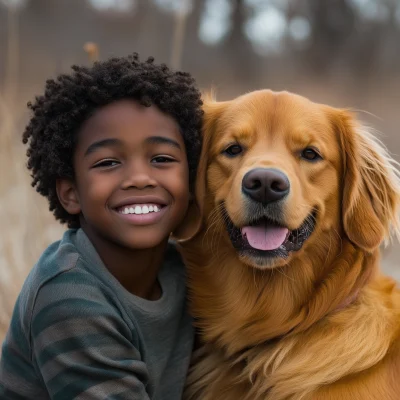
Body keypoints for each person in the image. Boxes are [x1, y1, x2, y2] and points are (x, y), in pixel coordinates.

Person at [0, 53, 203, 399]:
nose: (139, 178)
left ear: (193, 175)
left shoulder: (188, 272)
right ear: (70, 193)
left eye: (162, 159)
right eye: (108, 162)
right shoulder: (68, 299)